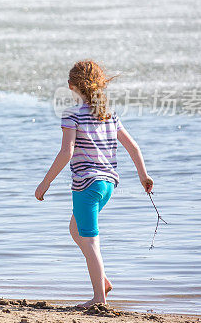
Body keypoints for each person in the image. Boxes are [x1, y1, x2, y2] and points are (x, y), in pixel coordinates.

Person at [35, 60, 154, 307]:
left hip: (87, 185)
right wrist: (143, 175)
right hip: (108, 184)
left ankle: (99, 298)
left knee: (90, 242)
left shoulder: (71, 115)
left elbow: (66, 153)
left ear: (71, 86)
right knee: (75, 229)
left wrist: (45, 184)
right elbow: (133, 147)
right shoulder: (109, 115)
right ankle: (104, 281)